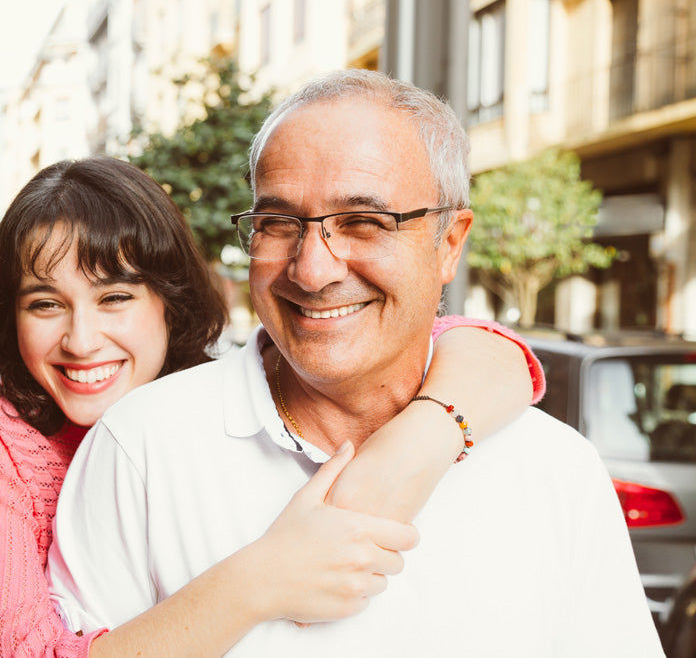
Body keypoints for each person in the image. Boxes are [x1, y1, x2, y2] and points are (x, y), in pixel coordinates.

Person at [47, 72, 665, 657]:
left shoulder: (554, 469)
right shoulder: (143, 449)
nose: (313, 270)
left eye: (365, 222)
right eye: (278, 222)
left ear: (449, 243)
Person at [0, 156, 541, 657]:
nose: (80, 339)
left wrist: (420, 440)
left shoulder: (191, 412)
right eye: (44, 303)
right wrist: (262, 576)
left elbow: (478, 345)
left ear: (167, 300)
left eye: (114, 298)